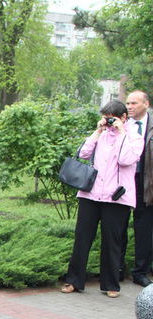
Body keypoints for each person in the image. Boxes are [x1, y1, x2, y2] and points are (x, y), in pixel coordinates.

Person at [62, 100, 144, 298]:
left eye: (112, 117)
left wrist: (122, 132)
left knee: (111, 241)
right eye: (105, 117)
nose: (108, 121)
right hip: (91, 194)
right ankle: (74, 280)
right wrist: (97, 132)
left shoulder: (134, 138)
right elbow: (83, 153)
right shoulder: (101, 135)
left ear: (124, 118)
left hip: (116, 198)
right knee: (82, 238)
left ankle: (110, 284)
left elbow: (126, 159)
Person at [120, 91, 153, 286]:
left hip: (146, 183)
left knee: (144, 229)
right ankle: (116, 270)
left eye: (134, 103)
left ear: (146, 104)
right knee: (118, 226)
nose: (130, 106)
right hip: (123, 182)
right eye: (128, 103)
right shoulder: (121, 125)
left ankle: (140, 272)